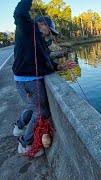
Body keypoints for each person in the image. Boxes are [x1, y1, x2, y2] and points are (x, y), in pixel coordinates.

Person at [12, 0, 75, 156]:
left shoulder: (40, 42)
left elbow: (46, 62)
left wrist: (60, 67)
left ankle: (19, 126)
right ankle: (25, 144)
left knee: (32, 106)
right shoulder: (28, 29)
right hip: (29, 81)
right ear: (41, 24)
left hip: (25, 80)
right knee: (41, 112)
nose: (50, 35)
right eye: (50, 31)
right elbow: (19, 13)